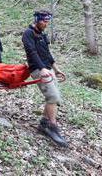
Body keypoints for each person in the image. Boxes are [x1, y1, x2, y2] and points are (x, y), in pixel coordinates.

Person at [22, 10, 68, 147]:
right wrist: (42, 69)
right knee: (53, 97)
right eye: (44, 21)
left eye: (48, 21)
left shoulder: (42, 34)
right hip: (37, 70)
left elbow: (47, 53)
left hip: (47, 69)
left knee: (54, 98)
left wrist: (56, 68)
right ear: (37, 20)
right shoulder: (28, 34)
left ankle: (44, 123)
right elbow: (32, 52)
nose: (46, 24)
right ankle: (52, 127)